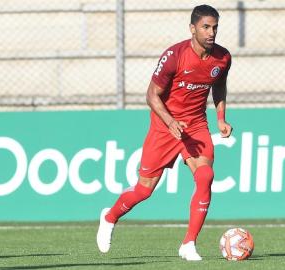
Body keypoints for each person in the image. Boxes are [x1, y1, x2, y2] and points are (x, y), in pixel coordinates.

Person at [97, 4, 232, 261]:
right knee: (144, 190)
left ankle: (188, 244)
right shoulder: (174, 55)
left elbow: (220, 87)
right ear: (192, 28)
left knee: (205, 176)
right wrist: (170, 122)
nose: (211, 32)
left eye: (214, 27)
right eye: (205, 27)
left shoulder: (222, 57)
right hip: (164, 127)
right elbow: (151, 95)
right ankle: (110, 216)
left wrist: (221, 118)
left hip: (195, 125)